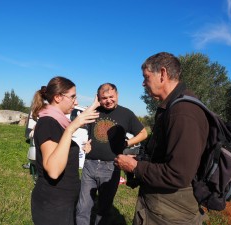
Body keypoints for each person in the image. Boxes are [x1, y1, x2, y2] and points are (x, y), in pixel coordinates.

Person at [114, 52, 209, 225]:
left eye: (146, 77)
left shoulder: (183, 112)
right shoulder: (173, 107)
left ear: (163, 74)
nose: (143, 83)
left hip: (169, 214)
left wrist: (135, 166)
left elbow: (178, 174)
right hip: (163, 209)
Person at [31, 76, 100, 225]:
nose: (76, 102)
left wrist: (94, 105)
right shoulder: (48, 123)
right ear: (57, 97)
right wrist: (71, 128)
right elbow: (54, 171)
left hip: (63, 202)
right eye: (73, 97)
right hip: (53, 206)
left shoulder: (58, 122)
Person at [76, 83, 148, 225]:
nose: (108, 100)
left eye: (111, 96)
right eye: (104, 98)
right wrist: (93, 105)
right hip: (89, 165)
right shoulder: (94, 111)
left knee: (103, 209)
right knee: (82, 207)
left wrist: (127, 144)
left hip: (111, 167)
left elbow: (143, 133)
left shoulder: (126, 114)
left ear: (117, 95)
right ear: (98, 98)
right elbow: (77, 123)